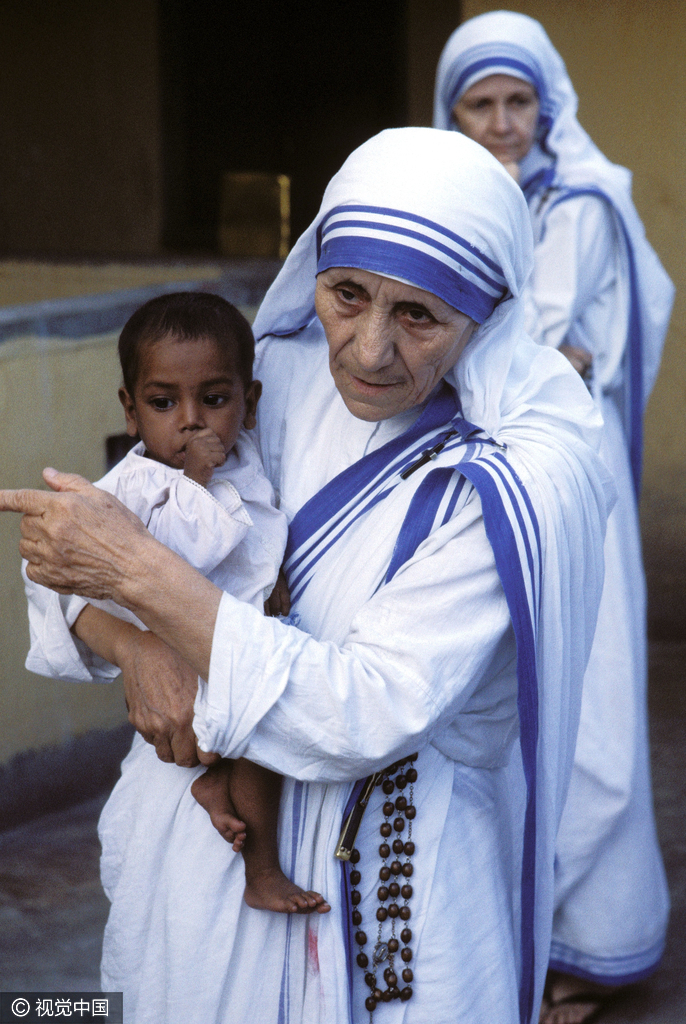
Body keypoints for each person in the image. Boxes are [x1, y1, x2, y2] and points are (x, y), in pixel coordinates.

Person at [1, 128, 612, 1024]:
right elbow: (71, 563)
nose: (368, 351)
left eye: (421, 314)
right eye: (347, 294)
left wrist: (141, 578)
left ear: (485, 313)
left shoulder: (517, 476)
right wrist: (135, 649)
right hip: (198, 855)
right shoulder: (255, 378)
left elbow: (363, 710)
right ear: (312, 274)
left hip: (396, 869)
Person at [434, 12, 674, 1023]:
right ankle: (506, 928)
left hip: (568, 489)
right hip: (487, 478)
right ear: (448, 113)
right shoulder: (452, 200)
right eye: (478, 105)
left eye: (515, 102)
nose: (500, 124)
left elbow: (550, 344)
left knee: (586, 711)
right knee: (495, 711)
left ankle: (585, 940)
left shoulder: (580, 199)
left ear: (547, 103)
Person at [23, 290, 327, 916]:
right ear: (131, 412)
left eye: (215, 400)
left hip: (255, 640)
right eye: (164, 403)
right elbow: (179, 553)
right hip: (202, 660)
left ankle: (216, 784)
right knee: (260, 741)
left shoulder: (250, 458)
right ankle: (262, 869)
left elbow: (267, 536)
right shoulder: (136, 485)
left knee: (266, 740)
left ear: (250, 404)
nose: (190, 420)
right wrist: (195, 481)